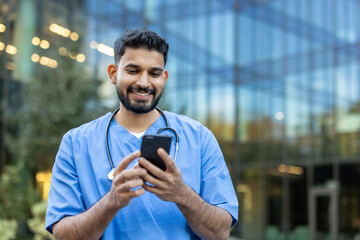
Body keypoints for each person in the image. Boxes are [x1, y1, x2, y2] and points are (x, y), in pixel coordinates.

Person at [45, 28, 238, 240]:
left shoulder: (200, 139)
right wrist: (112, 201)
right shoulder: (76, 143)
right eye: (133, 70)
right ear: (113, 73)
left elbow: (221, 232)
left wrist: (181, 194)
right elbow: (63, 236)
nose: (144, 83)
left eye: (154, 73)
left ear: (164, 78)